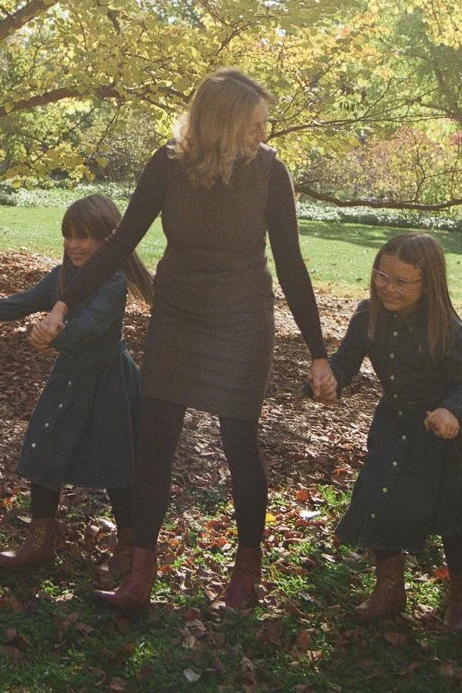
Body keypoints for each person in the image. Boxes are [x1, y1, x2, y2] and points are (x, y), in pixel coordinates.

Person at [61, 68, 333, 615]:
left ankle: (246, 570)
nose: (262, 134)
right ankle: (140, 572)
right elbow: (121, 245)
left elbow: (291, 264)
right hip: (179, 315)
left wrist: (317, 350)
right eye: (254, 124)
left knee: (239, 443)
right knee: (155, 442)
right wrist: (66, 302)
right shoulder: (167, 166)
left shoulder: (269, 172)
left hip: (240, 321)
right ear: (223, 122)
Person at [326, 232, 462, 631]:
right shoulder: (368, 315)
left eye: (401, 281)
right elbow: (347, 359)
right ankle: (389, 591)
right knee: (379, 498)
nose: (388, 287)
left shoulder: (448, 330)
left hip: (444, 433)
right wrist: (329, 378)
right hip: (395, 423)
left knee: (451, 516)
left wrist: (451, 411)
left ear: (427, 283)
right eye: (382, 275)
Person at [0, 195, 151, 579]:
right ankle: (40, 540)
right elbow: (25, 301)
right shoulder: (62, 277)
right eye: (68, 236)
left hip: (109, 382)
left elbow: (90, 327)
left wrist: (50, 338)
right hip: (69, 380)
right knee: (47, 450)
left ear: (108, 240)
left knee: (118, 464)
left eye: (84, 237)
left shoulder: (113, 283)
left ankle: (128, 543)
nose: (73, 245)